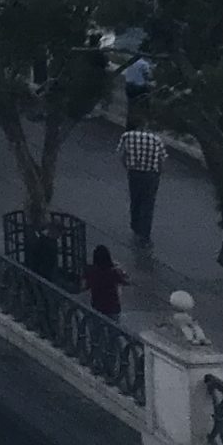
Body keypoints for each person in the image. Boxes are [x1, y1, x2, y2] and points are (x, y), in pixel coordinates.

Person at [118, 116, 166, 250]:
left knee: (135, 199)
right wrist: (158, 173)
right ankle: (144, 234)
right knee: (148, 204)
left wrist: (128, 166)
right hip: (150, 175)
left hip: (134, 173)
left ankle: (135, 225)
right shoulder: (156, 139)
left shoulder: (127, 136)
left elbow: (122, 155)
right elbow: (162, 159)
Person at [84, 244, 129, 319]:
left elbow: (86, 286)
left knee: (97, 327)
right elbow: (125, 282)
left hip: (97, 307)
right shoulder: (113, 272)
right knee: (113, 327)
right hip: (113, 308)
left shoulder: (91, 272)